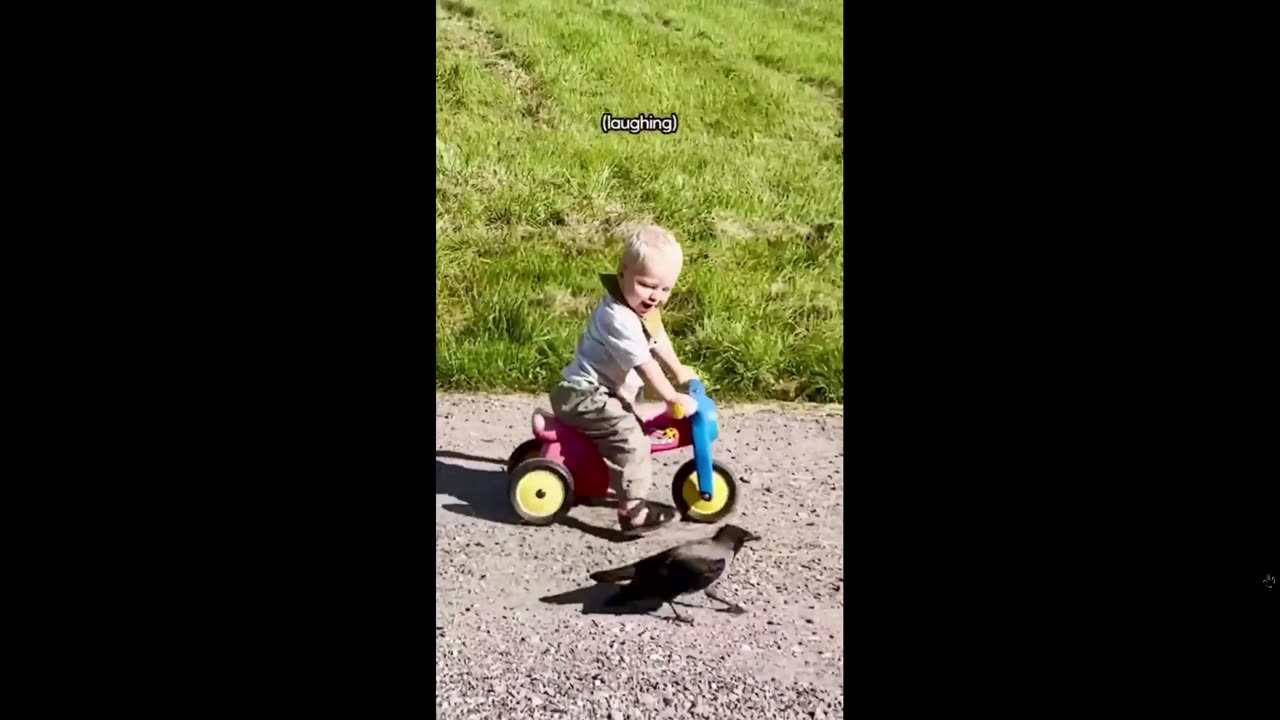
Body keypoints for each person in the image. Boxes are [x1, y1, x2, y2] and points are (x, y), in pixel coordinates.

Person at [550, 225, 699, 535]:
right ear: (622, 273)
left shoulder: (644, 309)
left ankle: (599, 475)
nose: (655, 297)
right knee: (632, 437)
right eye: (646, 285)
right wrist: (670, 396)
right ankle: (633, 510)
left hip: (603, 393)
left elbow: (658, 340)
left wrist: (678, 368)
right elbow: (644, 363)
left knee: (634, 420)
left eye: (665, 289)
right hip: (584, 395)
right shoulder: (618, 317)